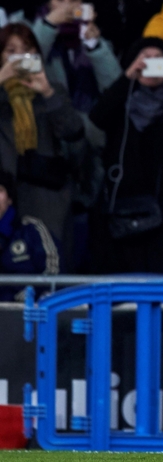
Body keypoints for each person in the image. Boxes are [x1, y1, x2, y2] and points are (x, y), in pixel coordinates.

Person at [89, 37, 163, 274]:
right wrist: (129, 77)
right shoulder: (122, 101)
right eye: (146, 59)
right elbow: (97, 117)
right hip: (125, 210)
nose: (152, 65)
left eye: (159, 60)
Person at [0, 23, 84, 268]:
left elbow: (73, 131)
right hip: (4, 195)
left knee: (50, 264)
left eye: (27, 50)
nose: (19, 57)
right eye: (11, 50)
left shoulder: (52, 90)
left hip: (46, 196)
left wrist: (47, 93)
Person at [0, 171, 59, 302]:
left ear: (10, 199)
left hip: (30, 311)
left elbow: (53, 271)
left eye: (0, 190)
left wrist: (29, 296)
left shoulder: (31, 228)